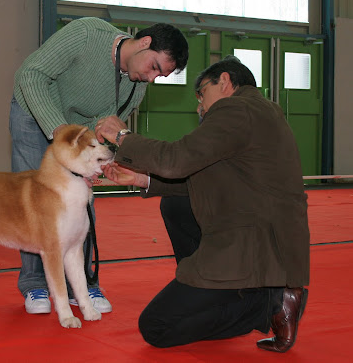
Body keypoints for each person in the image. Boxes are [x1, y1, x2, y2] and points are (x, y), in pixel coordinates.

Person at [96, 56, 310, 352]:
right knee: (175, 206)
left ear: (223, 82)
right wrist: (140, 180)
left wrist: (123, 136)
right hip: (266, 237)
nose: (200, 105)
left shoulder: (235, 109)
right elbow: (206, 178)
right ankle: (234, 291)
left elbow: (177, 160)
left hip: (252, 244)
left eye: (201, 94)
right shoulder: (262, 112)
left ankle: (267, 303)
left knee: (156, 327)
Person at [10, 16, 188, 315]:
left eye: (161, 76)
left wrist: (95, 158)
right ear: (144, 43)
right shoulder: (86, 33)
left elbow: (103, 124)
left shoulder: (136, 86)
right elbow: (31, 74)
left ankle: (84, 283)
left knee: (81, 199)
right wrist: (58, 133)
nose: (151, 78)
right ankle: (34, 283)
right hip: (33, 113)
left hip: (76, 133)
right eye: (155, 67)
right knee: (36, 200)